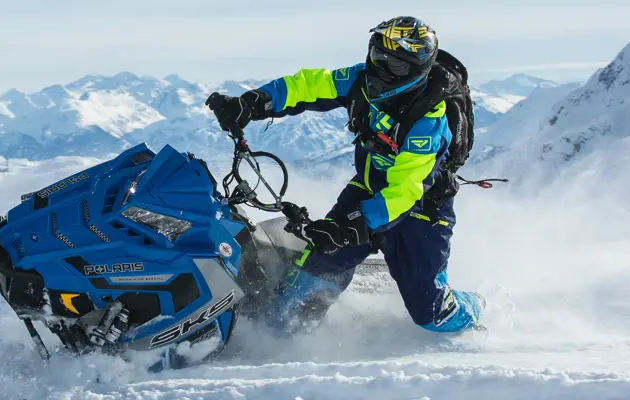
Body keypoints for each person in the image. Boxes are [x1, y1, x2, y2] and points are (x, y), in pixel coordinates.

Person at [205, 16, 485, 335]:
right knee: (300, 291)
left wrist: (354, 226)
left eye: (395, 65)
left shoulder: (428, 120)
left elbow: (406, 191)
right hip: (366, 190)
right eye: (378, 57)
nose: (382, 70)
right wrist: (252, 103)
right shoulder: (360, 80)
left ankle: (474, 310)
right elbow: (309, 85)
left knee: (431, 313)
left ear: (417, 69)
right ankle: (278, 342)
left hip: (422, 209)